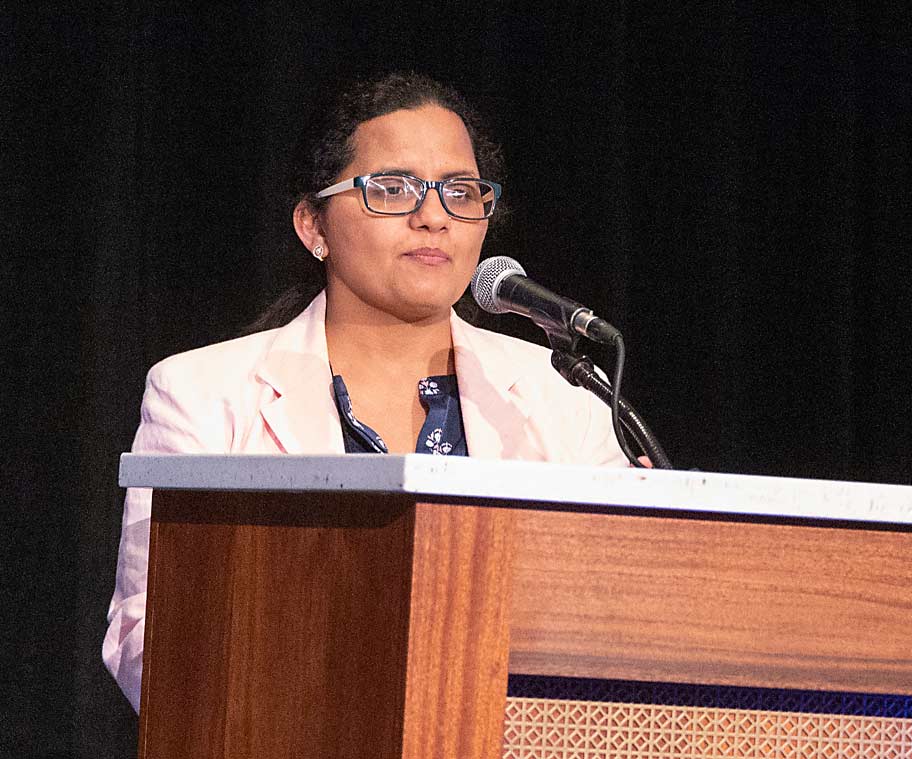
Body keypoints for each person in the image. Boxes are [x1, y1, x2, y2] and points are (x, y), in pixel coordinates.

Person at [103, 72, 628, 712]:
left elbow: (616, 635)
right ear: (312, 226)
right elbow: (147, 639)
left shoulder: (564, 397)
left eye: (462, 192)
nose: (434, 216)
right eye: (393, 188)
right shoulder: (202, 393)